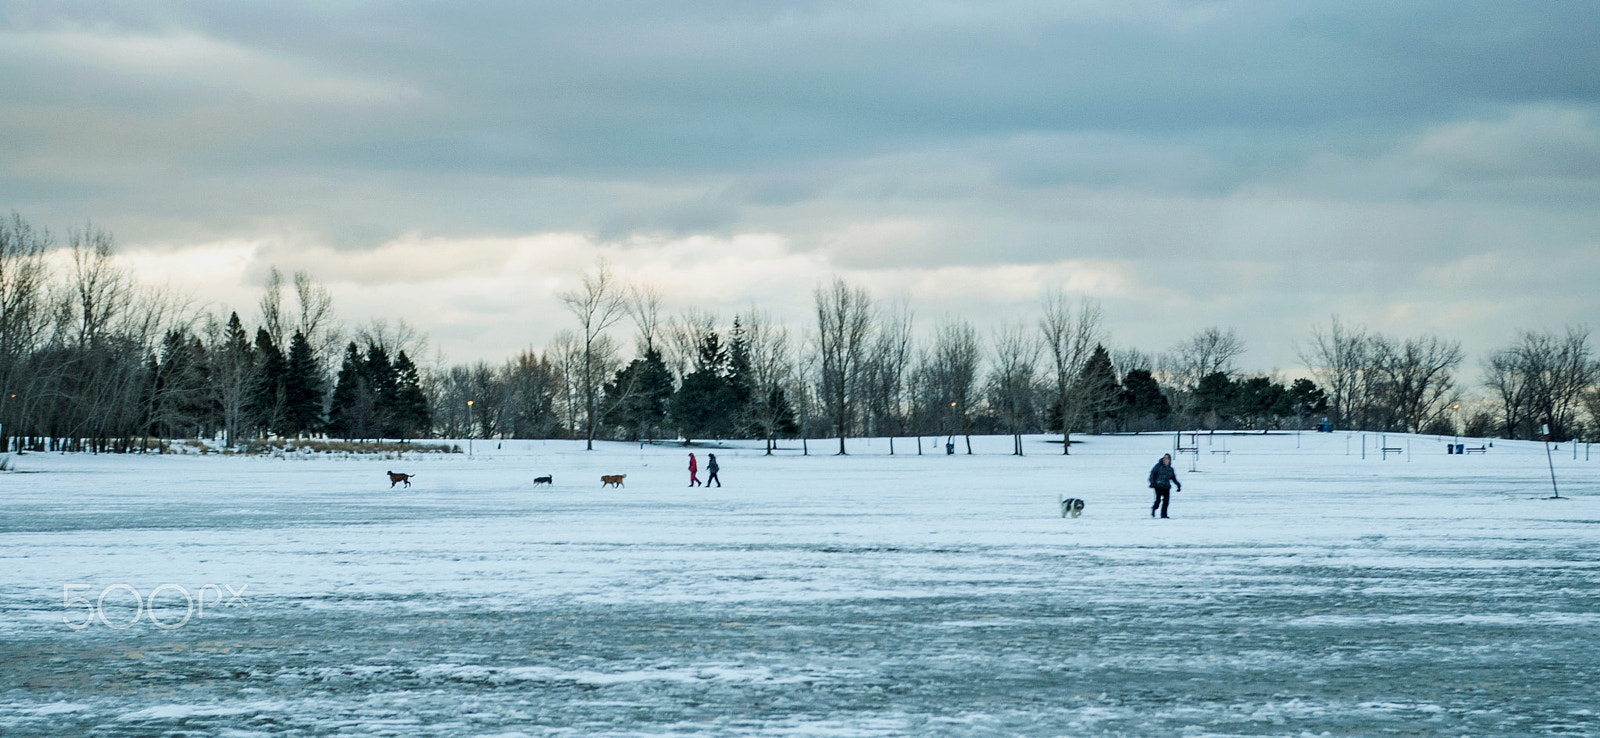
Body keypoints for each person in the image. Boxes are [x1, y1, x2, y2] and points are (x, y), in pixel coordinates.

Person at [1148, 453, 1181, 518]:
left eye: (1167, 458)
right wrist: (1152, 483)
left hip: (1166, 486)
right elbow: (1152, 474)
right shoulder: (1158, 466)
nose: (1166, 460)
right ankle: (1154, 509)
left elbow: (1173, 478)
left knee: (1166, 501)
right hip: (1158, 485)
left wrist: (1178, 485)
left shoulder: (1170, 469)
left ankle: (1163, 514)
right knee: (1158, 500)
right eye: (1165, 458)